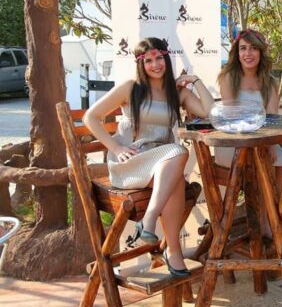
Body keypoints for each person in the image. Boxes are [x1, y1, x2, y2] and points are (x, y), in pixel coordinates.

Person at [83, 37, 214, 277]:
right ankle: (163, 235)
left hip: (163, 166)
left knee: (175, 167)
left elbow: (210, 112)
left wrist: (195, 80)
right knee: (179, 152)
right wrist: (115, 147)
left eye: (159, 58)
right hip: (131, 163)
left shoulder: (178, 93)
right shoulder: (131, 88)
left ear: (166, 58)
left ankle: (168, 246)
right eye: (149, 60)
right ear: (141, 64)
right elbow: (90, 117)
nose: (155, 64)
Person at [215, 28, 282, 228]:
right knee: (267, 158)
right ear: (236, 53)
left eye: (253, 48)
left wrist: (270, 143)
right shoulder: (228, 77)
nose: (248, 54)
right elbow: (232, 117)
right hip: (233, 142)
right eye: (243, 48)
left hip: (263, 139)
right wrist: (263, 144)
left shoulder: (269, 82)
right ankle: (266, 224)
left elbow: (273, 116)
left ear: (261, 52)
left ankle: (270, 214)